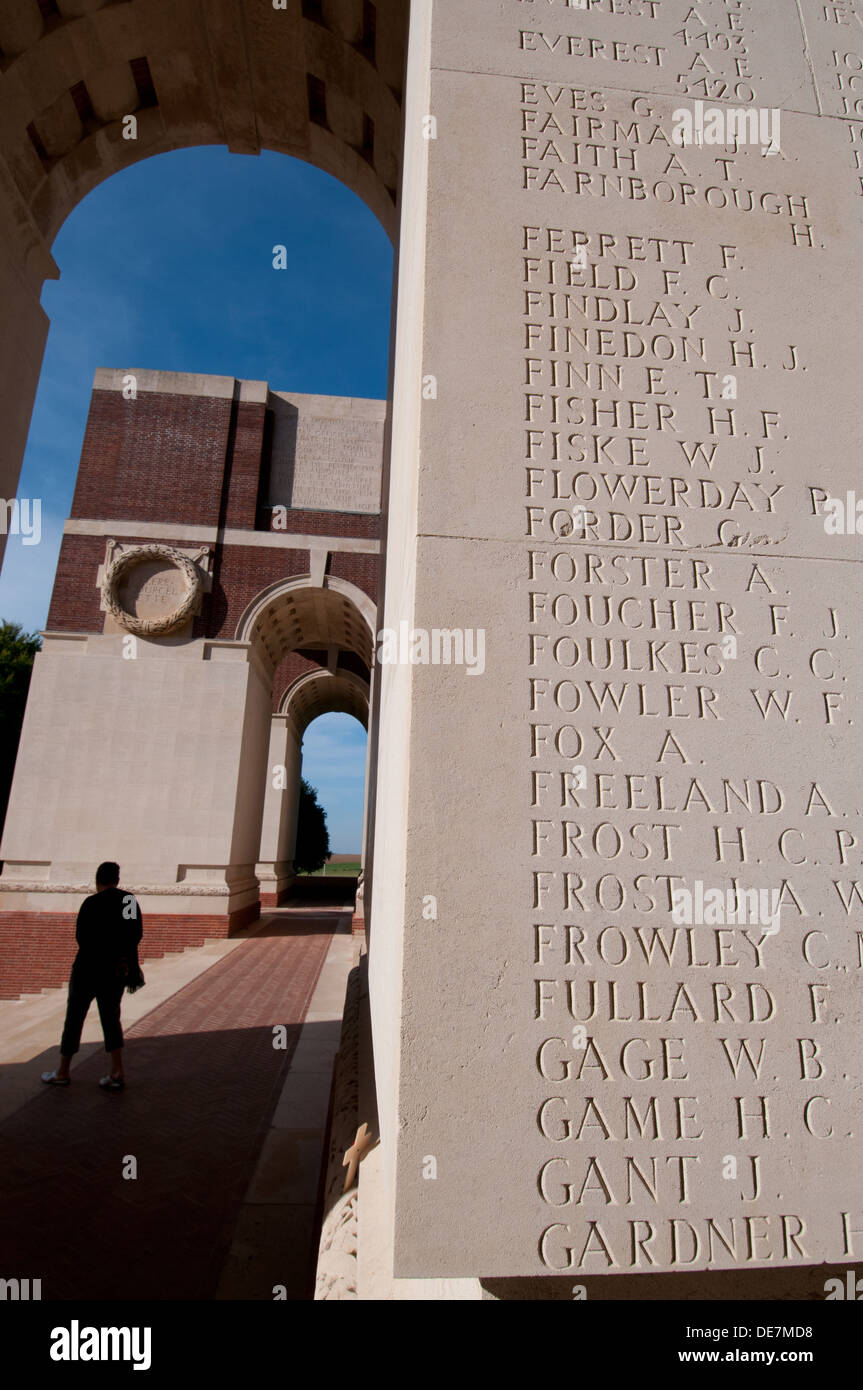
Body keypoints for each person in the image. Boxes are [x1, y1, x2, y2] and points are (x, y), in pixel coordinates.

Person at [41, 862, 144, 1092]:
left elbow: (82, 937)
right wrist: (122, 960)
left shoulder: (90, 902)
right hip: (115, 970)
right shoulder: (128, 900)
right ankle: (116, 1070)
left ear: (97, 880)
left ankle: (63, 1071)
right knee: (111, 1018)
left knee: (74, 1018)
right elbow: (133, 934)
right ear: (117, 880)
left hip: (87, 968)